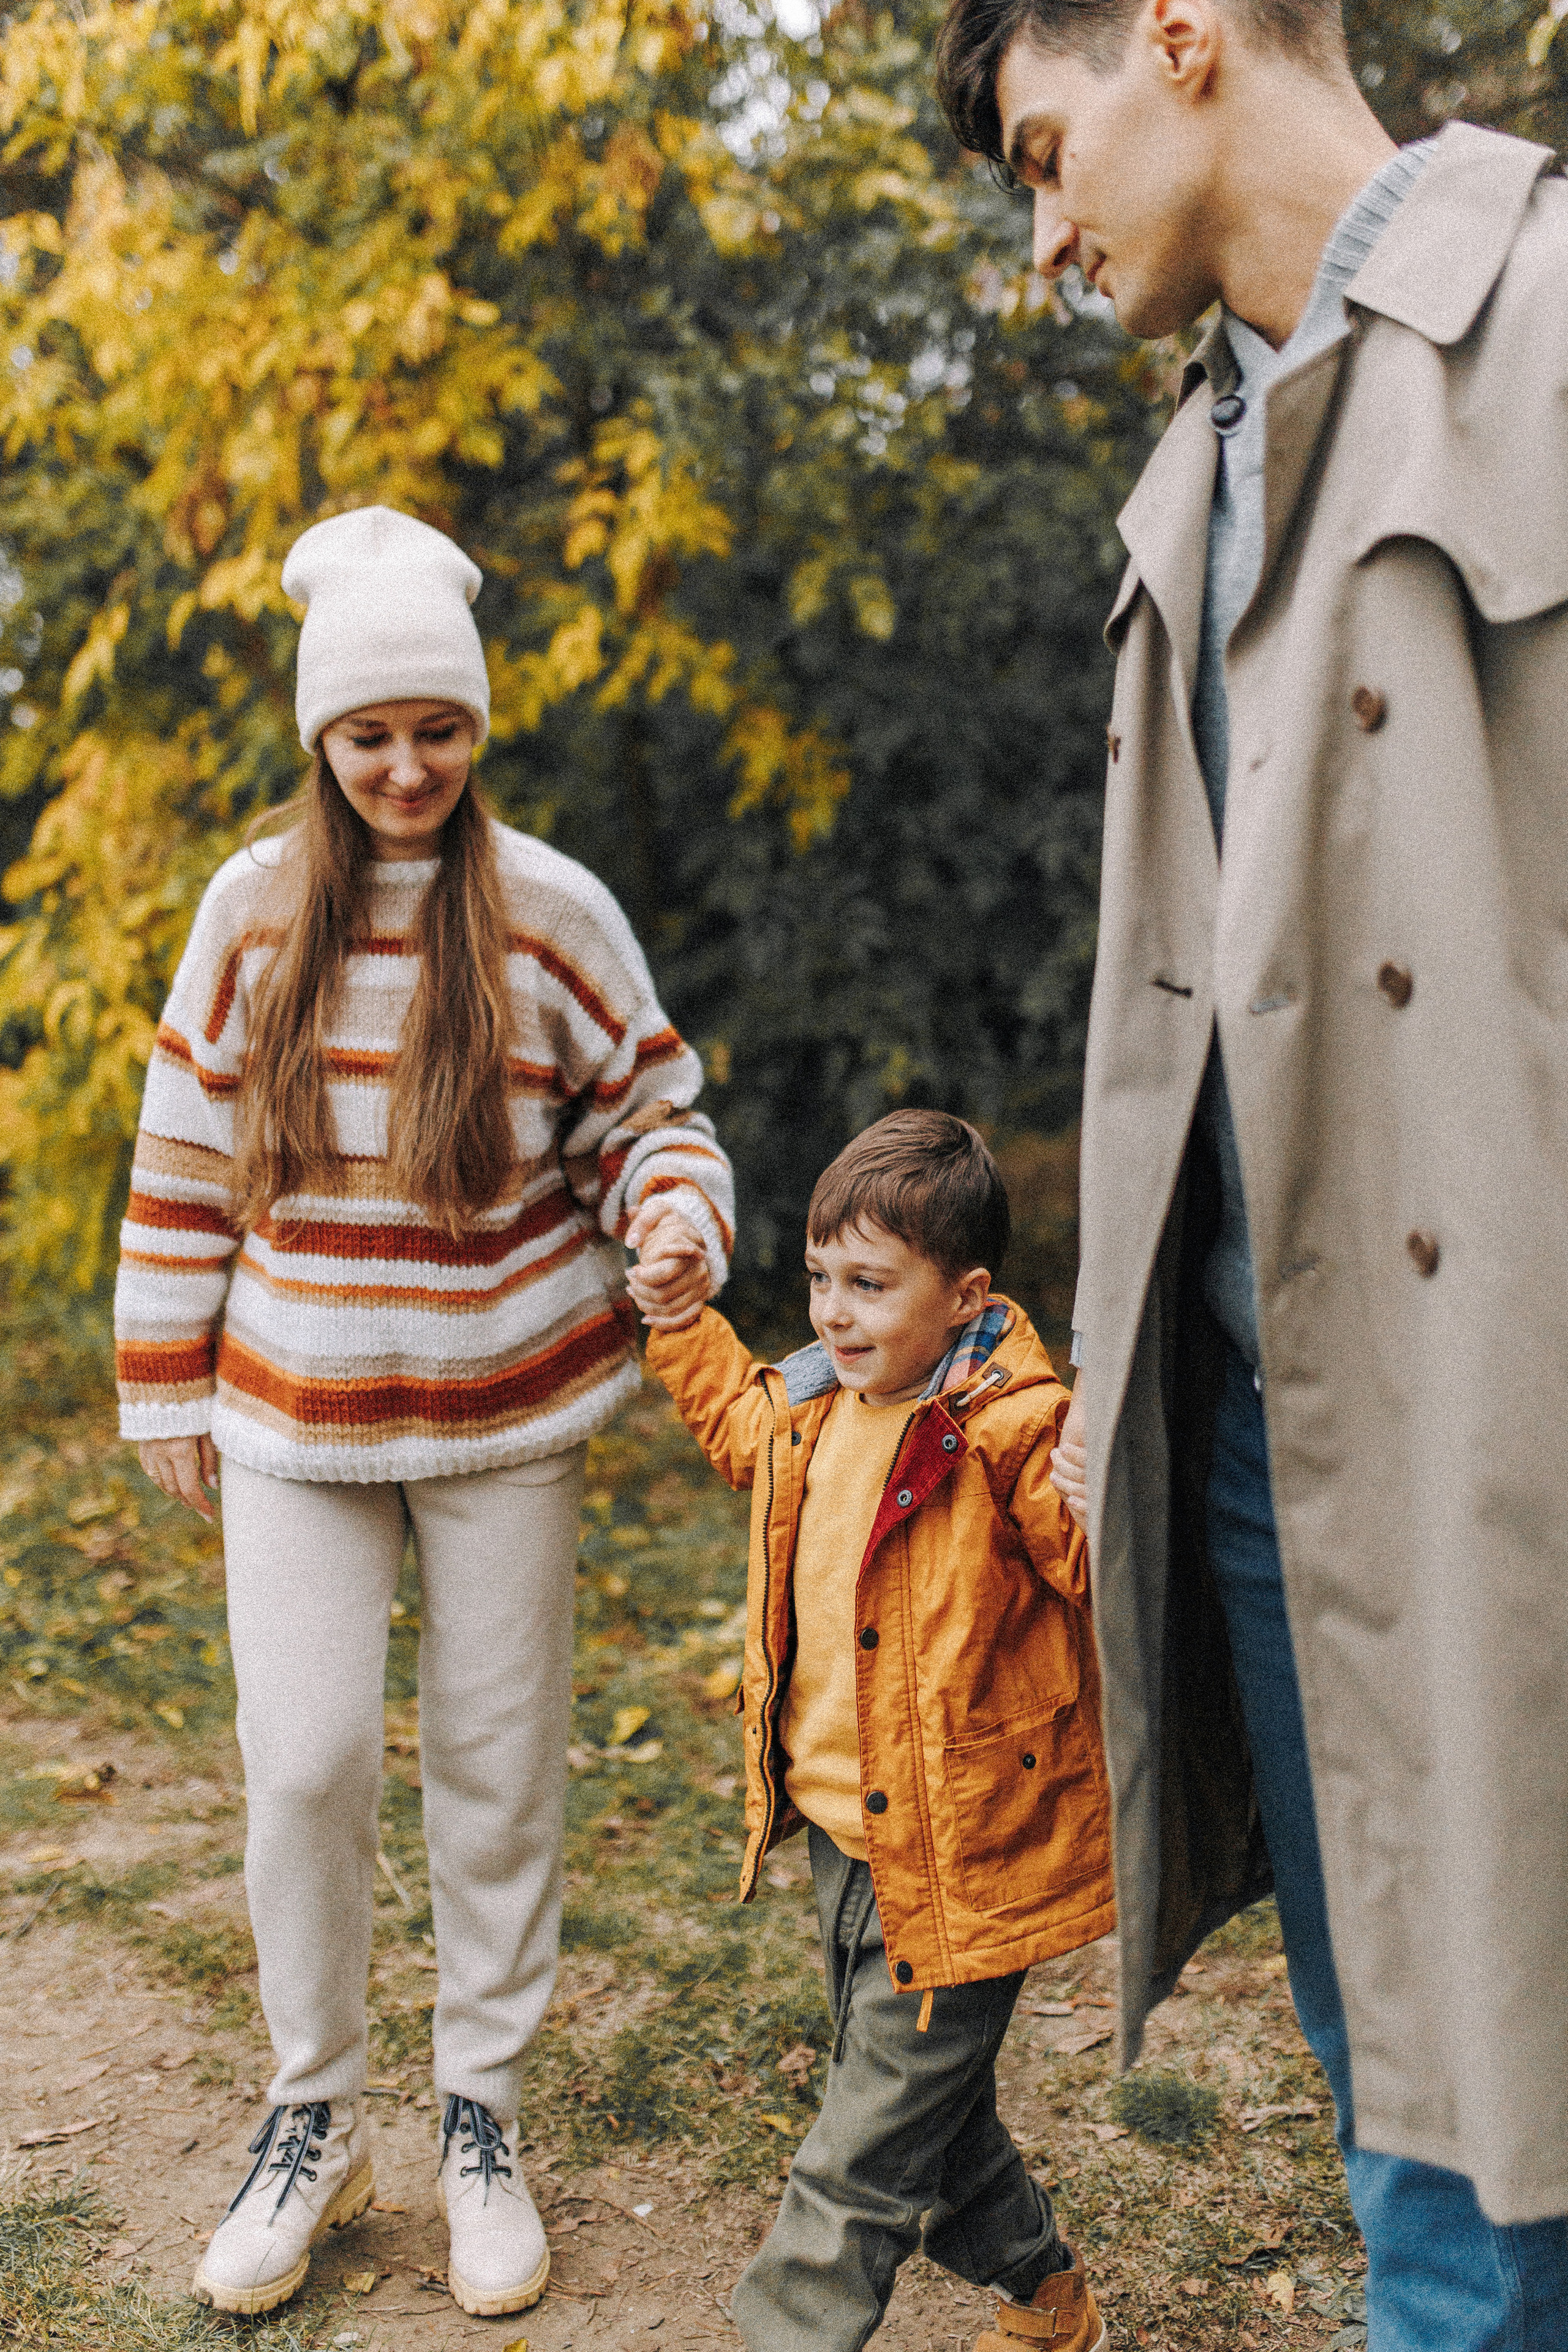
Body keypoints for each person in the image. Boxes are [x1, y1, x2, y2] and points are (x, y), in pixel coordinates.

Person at [933, 0, 1568, 2343]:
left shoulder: (1557, 321)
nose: (1045, 231)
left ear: (1179, 37)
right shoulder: (1190, 472)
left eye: (1038, 148)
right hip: (1255, 1474)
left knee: (1498, 2185)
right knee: (1411, 2099)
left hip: (1507, 1450)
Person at [113, 505, 733, 2319]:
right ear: (322, 739)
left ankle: (482, 2119)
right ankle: (316, 2117)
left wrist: (675, 1221)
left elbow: (654, 1116)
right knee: (303, 1767)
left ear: (479, 728)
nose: (406, 767)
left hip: (505, 1405)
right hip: (294, 1405)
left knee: (494, 1772)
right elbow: (176, 1155)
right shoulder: (251, 908)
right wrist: (164, 1367)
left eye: (437, 730)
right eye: (371, 735)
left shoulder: (550, 910)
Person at [630, 1110, 1112, 2352]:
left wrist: (1096, 1497)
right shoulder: (814, 1410)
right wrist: (683, 1325)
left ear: (963, 1296)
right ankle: (1046, 2292)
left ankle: (783, 2329)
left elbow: (1093, 1574)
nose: (835, 1314)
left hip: (963, 1853)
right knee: (925, 2120)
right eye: (819, 1281)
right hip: (843, 1843)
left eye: (869, 1286)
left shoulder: (1007, 1434)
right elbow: (738, 1429)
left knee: (859, 2151)